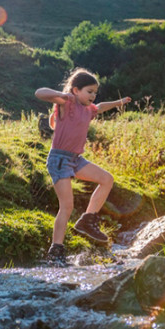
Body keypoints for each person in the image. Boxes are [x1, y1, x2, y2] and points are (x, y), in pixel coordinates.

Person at [35, 69, 131, 266]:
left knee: (107, 179)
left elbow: (101, 106)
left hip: (76, 159)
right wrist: (62, 95)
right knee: (67, 206)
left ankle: (87, 219)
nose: (93, 96)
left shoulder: (89, 110)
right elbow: (39, 93)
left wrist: (119, 103)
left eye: (95, 92)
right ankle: (56, 250)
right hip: (59, 160)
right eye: (89, 91)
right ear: (76, 90)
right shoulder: (67, 104)